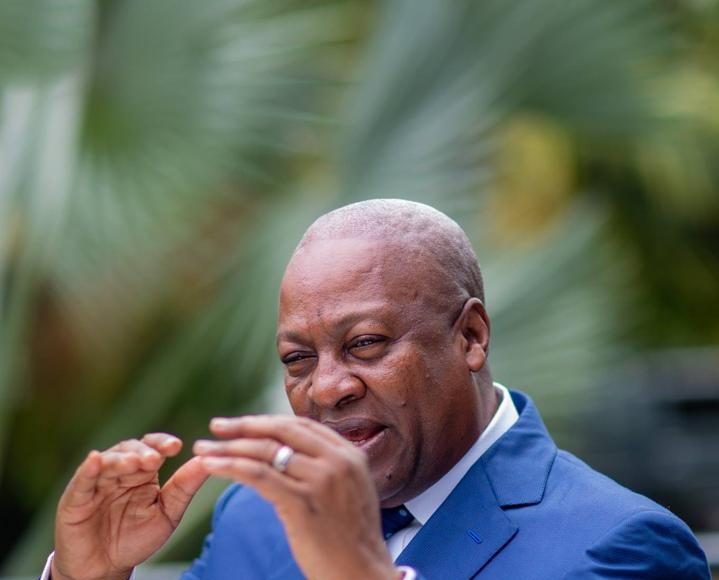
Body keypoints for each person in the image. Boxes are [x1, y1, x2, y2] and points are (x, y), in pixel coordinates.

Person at [45, 199, 710, 579]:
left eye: (365, 344)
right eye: (298, 358)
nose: (327, 388)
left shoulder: (621, 548)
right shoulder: (258, 516)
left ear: (470, 336)